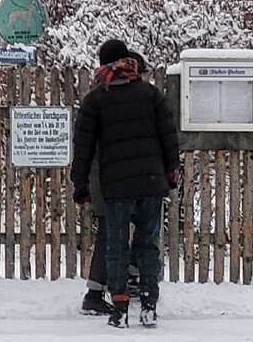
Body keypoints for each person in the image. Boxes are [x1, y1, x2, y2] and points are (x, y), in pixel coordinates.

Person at [71, 40, 179, 328]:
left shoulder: (96, 99)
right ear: (128, 61)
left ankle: (119, 310)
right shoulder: (151, 94)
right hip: (151, 181)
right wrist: (171, 172)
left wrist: (79, 184)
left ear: (103, 64)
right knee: (147, 244)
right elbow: (169, 136)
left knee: (117, 244)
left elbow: (83, 146)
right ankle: (149, 306)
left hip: (116, 185)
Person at [78, 51, 152, 317]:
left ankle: (120, 281)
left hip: (110, 177)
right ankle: (95, 292)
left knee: (122, 230)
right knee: (111, 233)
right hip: (109, 179)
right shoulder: (107, 98)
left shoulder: (101, 96)